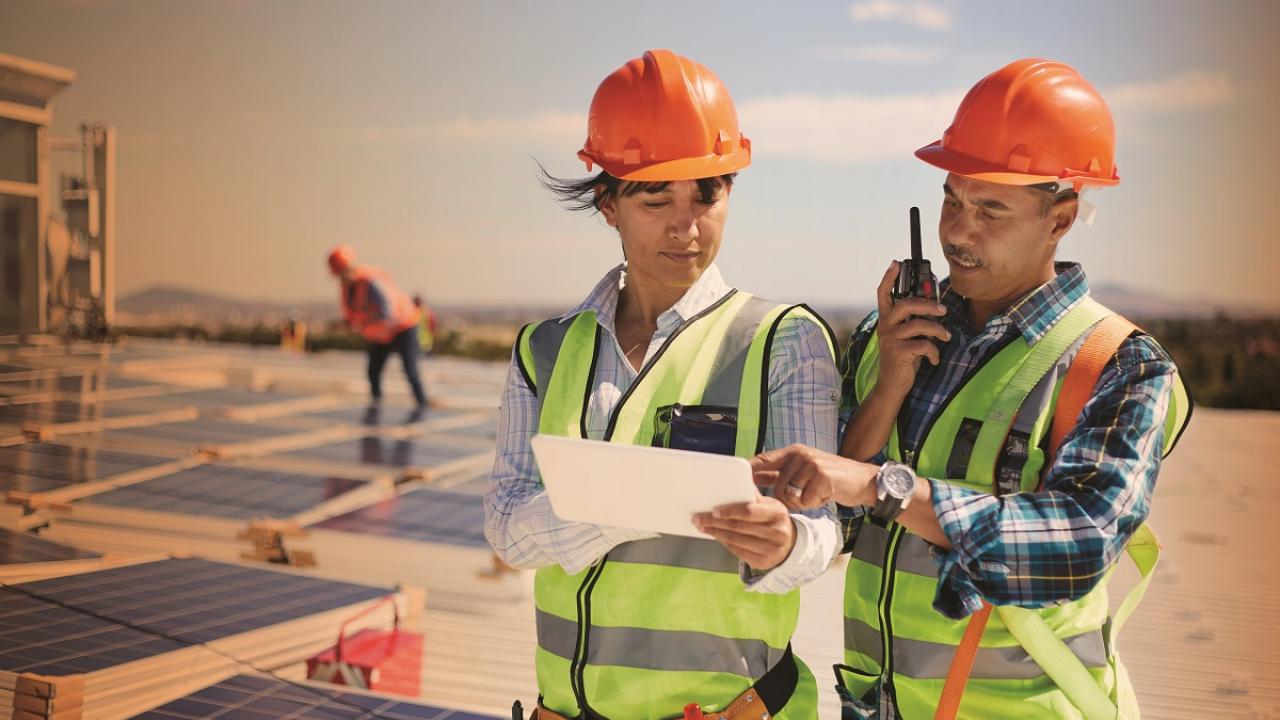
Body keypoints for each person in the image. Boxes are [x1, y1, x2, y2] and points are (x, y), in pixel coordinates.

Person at [752, 58, 1192, 719]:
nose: (959, 231)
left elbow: (1076, 545)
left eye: (991, 210)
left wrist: (884, 486)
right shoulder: (889, 336)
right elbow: (831, 521)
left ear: (1061, 217)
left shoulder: (1120, 366)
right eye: (953, 200)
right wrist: (888, 388)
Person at [484, 49, 842, 719]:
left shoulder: (784, 342)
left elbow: (820, 535)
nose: (688, 226)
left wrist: (788, 543)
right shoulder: (546, 349)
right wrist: (621, 506)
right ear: (608, 204)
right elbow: (507, 530)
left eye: (708, 193)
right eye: (657, 198)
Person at [327, 246, 428, 408]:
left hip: (403, 326)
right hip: (382, 333)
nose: (341, 277)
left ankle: (423, 404)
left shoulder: (370, 282)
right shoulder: (347, 288)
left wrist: (361, 324)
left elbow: (387, 312)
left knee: (410, 372)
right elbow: (355, 315)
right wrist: (345, 324)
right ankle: (376, 404)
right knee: (373, 372)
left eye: (343, 271)